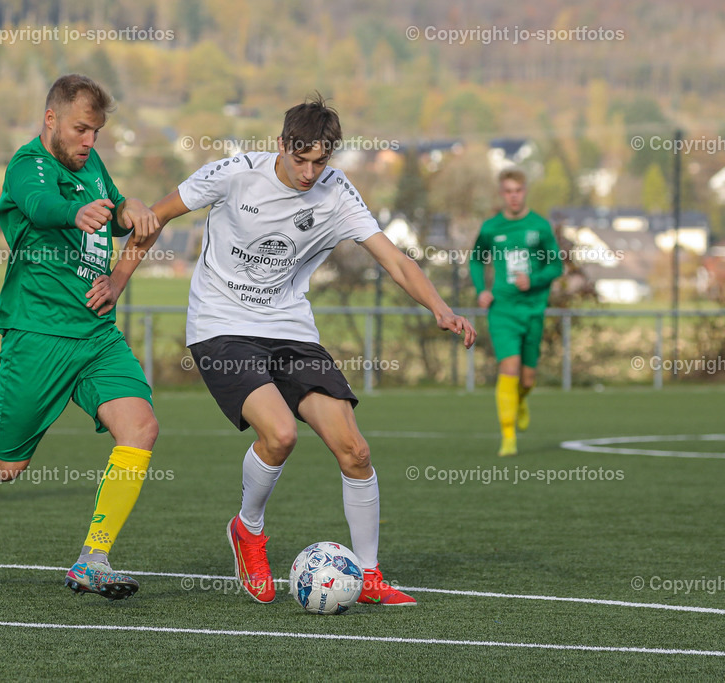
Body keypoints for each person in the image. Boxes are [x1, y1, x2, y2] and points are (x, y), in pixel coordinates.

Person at [113, 95, 476, 606]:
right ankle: (249, 531)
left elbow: (395, 260)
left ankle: (369, 576)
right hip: (220, 326)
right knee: (281, 435)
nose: (309, 172)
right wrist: (116, 281)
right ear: (281, 144)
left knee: (356, 451)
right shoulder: (235, 173)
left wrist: (440, 307)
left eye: (320, 161)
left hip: (289, 330)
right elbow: (154, 218)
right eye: (300, 158)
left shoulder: (337, 193)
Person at [0, 74, 159, 601]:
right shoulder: (26, 166)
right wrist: (75, 212)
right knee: (6, 467)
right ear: (51, 119)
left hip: (95, 337)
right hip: (37, 335)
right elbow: (43, 206)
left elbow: (113, 211)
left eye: (96, 133)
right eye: (81, 130)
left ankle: (93, 559)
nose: (89, 142)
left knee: (141, 427)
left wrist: (129, 204)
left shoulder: (91, 165)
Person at [469, 168, 562, 457]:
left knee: (528, 378)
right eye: (508, 191)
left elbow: (556, 266)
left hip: (533, 310)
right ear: (502, 193)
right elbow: (475, 260)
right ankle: (507, 436)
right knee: (508, 368)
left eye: (518, 190)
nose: (513, 196)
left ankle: (521, 399)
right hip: (502, 311)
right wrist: (481, 289)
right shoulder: (490, 228)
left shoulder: (540, 227)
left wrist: (533, 280)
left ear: (525, 192)